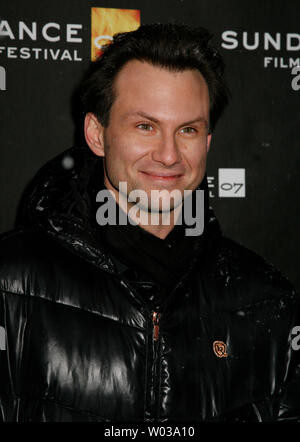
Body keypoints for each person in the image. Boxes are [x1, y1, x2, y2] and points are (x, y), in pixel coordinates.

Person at [0, 23, 299, 422]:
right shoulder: (10, 283)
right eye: (146, 126)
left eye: (188, 130)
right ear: (96, 133)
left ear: (207, 141)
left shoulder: (267, 299)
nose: (169, 155)